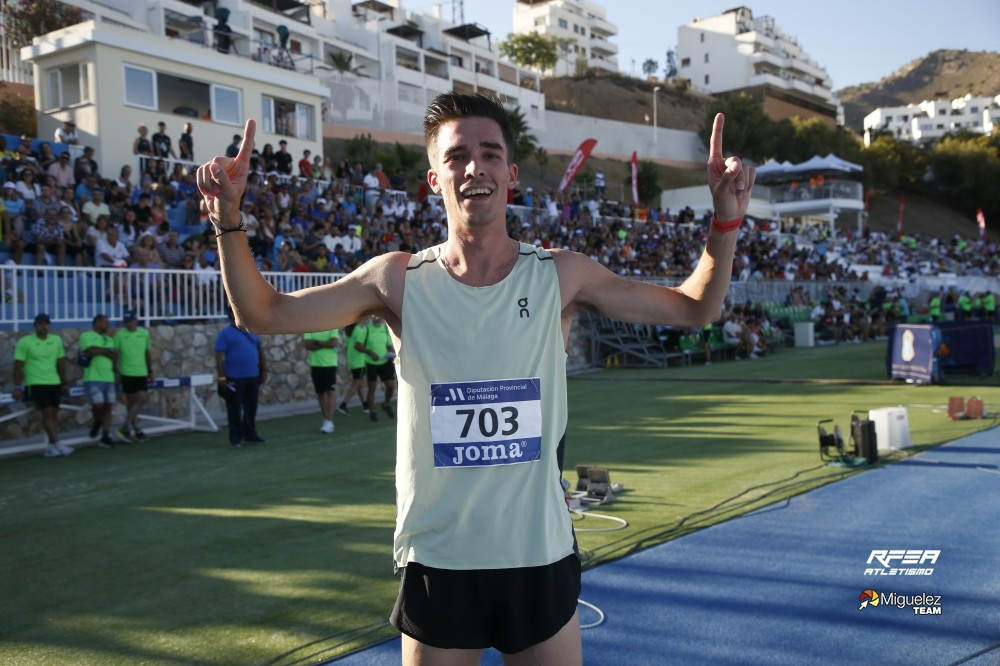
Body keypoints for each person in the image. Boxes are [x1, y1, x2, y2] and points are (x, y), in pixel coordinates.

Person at [196, 91, 753, 664]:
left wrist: (727, 219)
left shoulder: (561, 275)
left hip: (538, 554)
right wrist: (227, 218)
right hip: (440, 560)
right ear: (434, 179)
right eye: (457, 156)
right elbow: (261, 314)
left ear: (511, 174)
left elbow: (695, 308)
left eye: (489, 154)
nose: (474, 168)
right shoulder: (397, 281)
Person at [12, 313, 73, 458]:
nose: (43, 326)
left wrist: (64, 382)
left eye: (46, 323)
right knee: (47, 412)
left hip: (54, 382)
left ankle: (50, 447)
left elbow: (60, 363)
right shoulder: (25, 342)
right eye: (40, 323)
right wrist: (17, 387)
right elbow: (18, 366)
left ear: (49, 325)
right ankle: (57, 443)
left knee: (54, 413)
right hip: (35, 382)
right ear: (35, 326)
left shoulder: (56, 340)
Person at [215, 308, 267, 447]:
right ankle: (235, 437)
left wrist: (263, 371)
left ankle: (250, 434)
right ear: (231, 316)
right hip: (234, 378)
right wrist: (222, 378)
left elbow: (260, 351)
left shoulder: (252, 331)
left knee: (251, 407)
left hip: (252, 376)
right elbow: (219, 356)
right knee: (234, 408)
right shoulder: (225, 334)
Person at [114, 310, 153, 443]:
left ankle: (125, 427)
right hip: (126, 372)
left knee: (142, 398)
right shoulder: (119, 335)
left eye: (130, 321)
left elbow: (147, 353)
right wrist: (116, 373)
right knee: (131, 403)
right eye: (126, 322)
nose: (128, 324)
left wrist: (150, 371)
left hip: (141, 372)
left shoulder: (144, 333)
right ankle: (136, 430)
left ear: (135, 320)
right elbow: (115, 355)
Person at [79, 313, 118, 448]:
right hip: (93, 377)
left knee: (108, 406)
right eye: (104, 322)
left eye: (108, 322)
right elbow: (90, 350)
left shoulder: (110, 339)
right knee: (98, 405)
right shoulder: (86, 336)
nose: (107, 324)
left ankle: (105, 435)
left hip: (109, 377)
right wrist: (107, 351)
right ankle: (97, 422)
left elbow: (115, 355)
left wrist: (100, 351)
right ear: (96, 323)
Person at [355, 315, 396, 422]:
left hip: (384, 362)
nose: (377, 317)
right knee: (372, 388)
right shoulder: (367, 329)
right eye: (375, 315)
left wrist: (393, 354)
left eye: (379, 315)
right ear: (372, 317)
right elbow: (357, 345)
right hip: (371, 363)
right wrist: (369, 352)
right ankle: (372, 411)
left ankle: (385, 404)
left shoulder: (385, 329)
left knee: (391, 386)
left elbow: (389, 345)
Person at [303, 328, 340, 433]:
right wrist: (325, 344)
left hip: (330, 364)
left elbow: (333, 343)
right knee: (320, 393)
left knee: (330, 391)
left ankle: (329, 421)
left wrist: (316, 343)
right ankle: (327, 420)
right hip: (315, 364)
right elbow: (306, 344)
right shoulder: (310, 325)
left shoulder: (333, 325)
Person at [338, 320, 369, 416]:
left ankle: (365, 405)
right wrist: (370, 352)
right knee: (356, 384)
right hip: (359, 361)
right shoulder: (359, 330)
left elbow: (347, 347)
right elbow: (359, 346)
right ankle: (343, 404)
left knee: (360, 384)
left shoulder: (349, 331)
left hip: (352, 361)